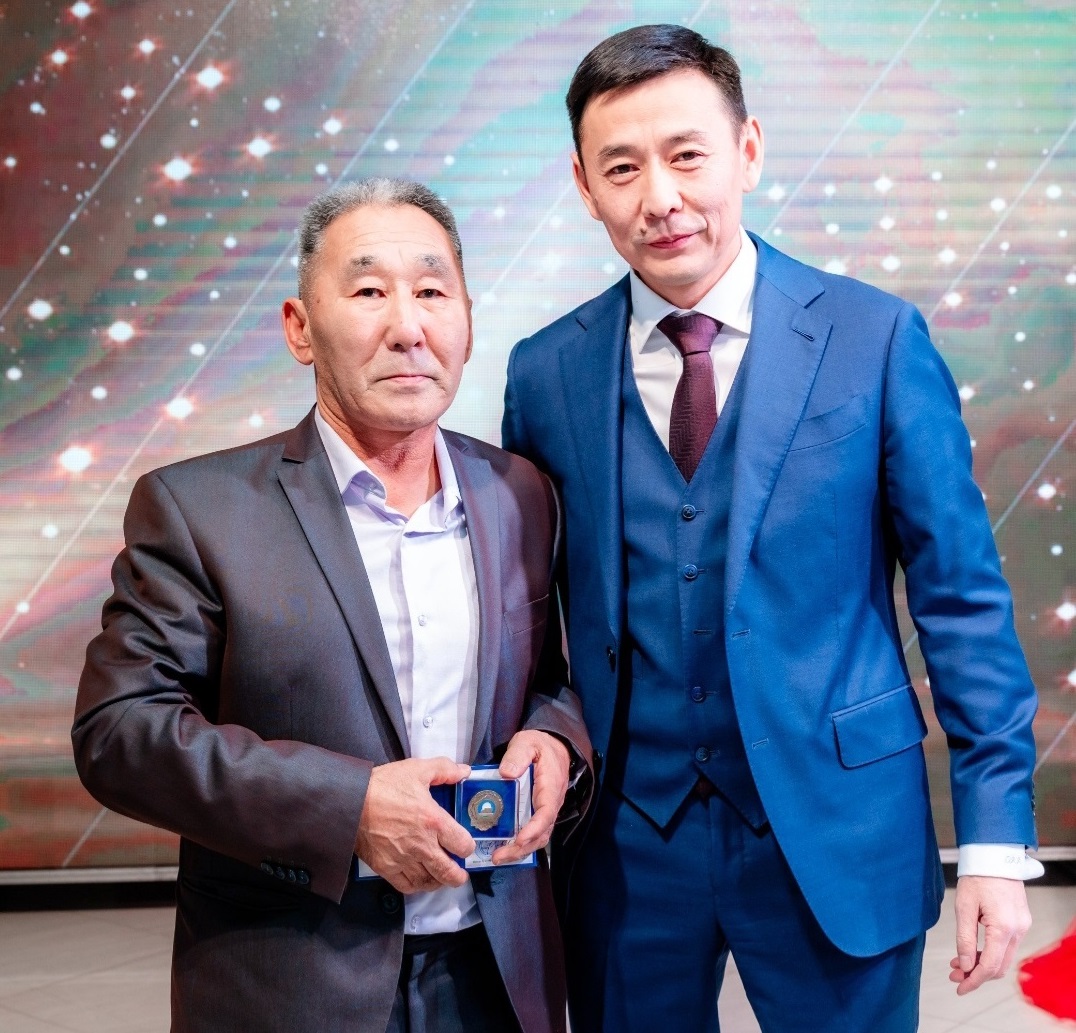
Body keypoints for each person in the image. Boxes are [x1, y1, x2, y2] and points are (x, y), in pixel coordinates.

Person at [502, 24, 1040, 1033]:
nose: (659, 197)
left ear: (746, 151)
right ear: (583, 186)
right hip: (626, 845)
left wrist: (994, 841)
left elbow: (961, 599)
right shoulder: (543, 372)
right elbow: (526, 621)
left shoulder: (874, 337)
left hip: (838, 823)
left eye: (686, 155)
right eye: (622, 168)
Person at [73, 178, 592, 1033]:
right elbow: (120, 732)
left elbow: (551, 679)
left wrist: (555, 735)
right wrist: (348, 809)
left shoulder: (521, 492)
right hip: (293, 983)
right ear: (299, 328)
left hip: (498, 975)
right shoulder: (200, 508)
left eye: (433, 291)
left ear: (467, 320)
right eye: (368, 291)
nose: (408, 326)